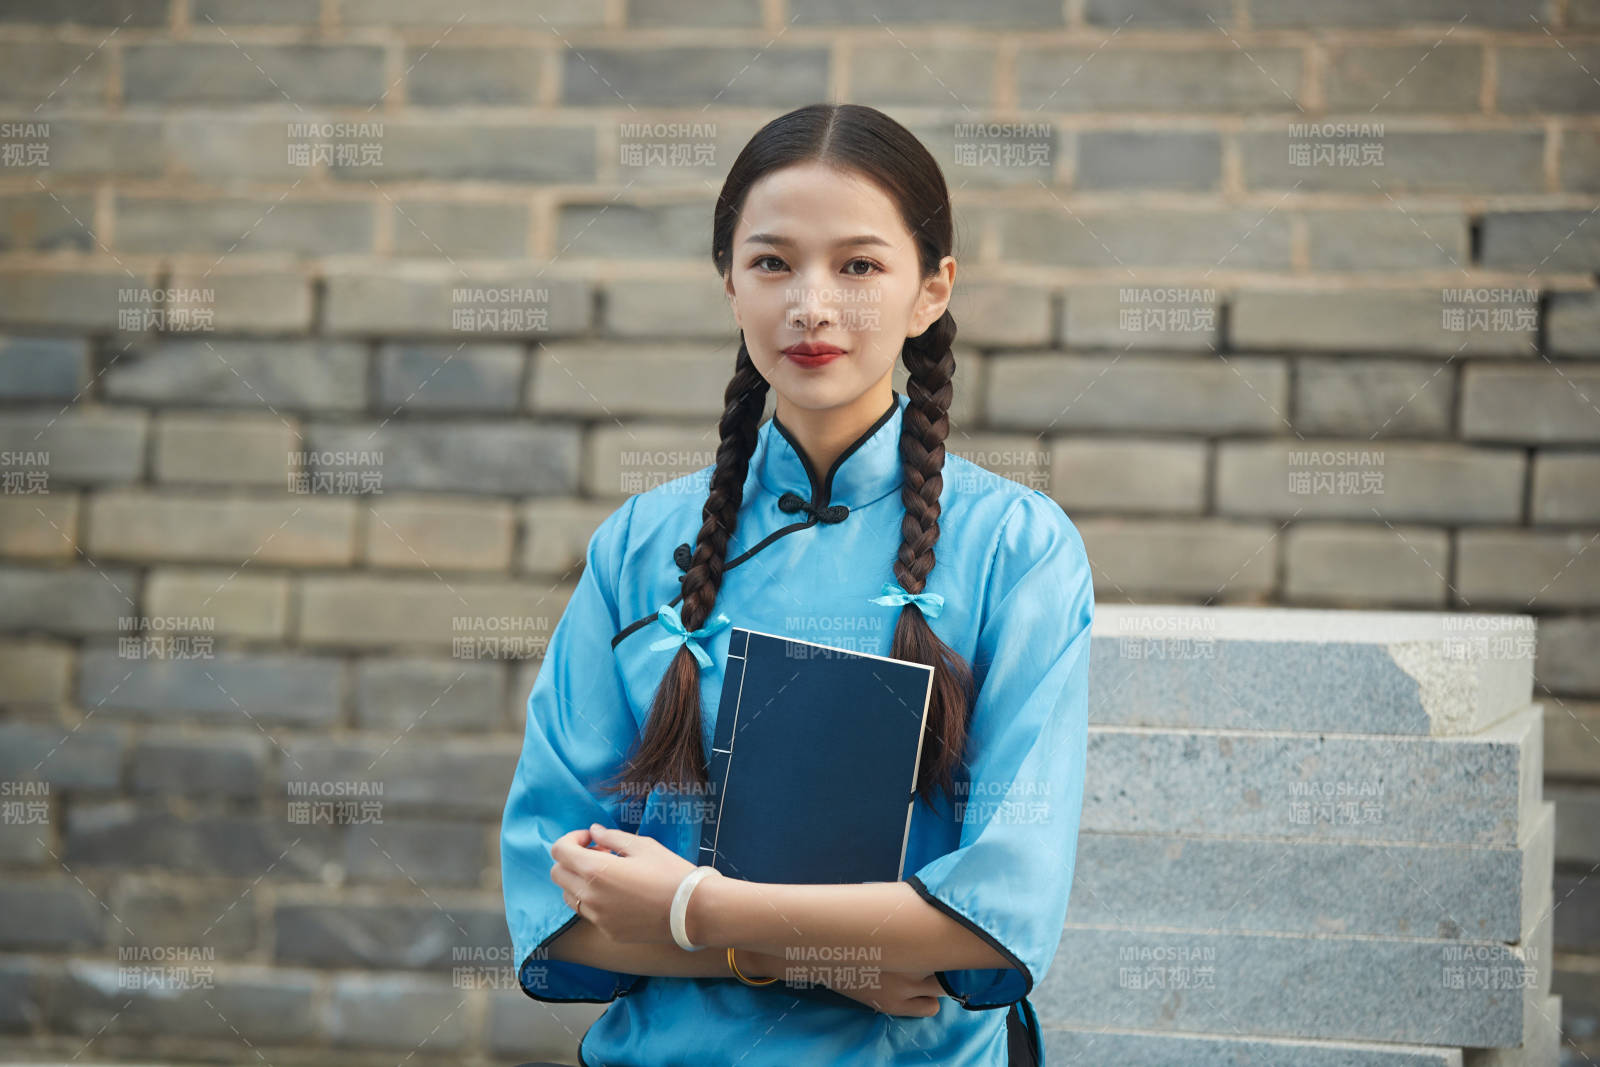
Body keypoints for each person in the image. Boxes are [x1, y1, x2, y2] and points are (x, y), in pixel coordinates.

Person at [500, 101, 1093, 1067]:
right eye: (773, 262)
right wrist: (803, 953)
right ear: (729, 283)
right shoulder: (638, 546)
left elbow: (999, 916)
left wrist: (689, 907)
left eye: (859, 265)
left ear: (932, 290)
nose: (812, 305)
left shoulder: (1017, 549)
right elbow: (555, 904)